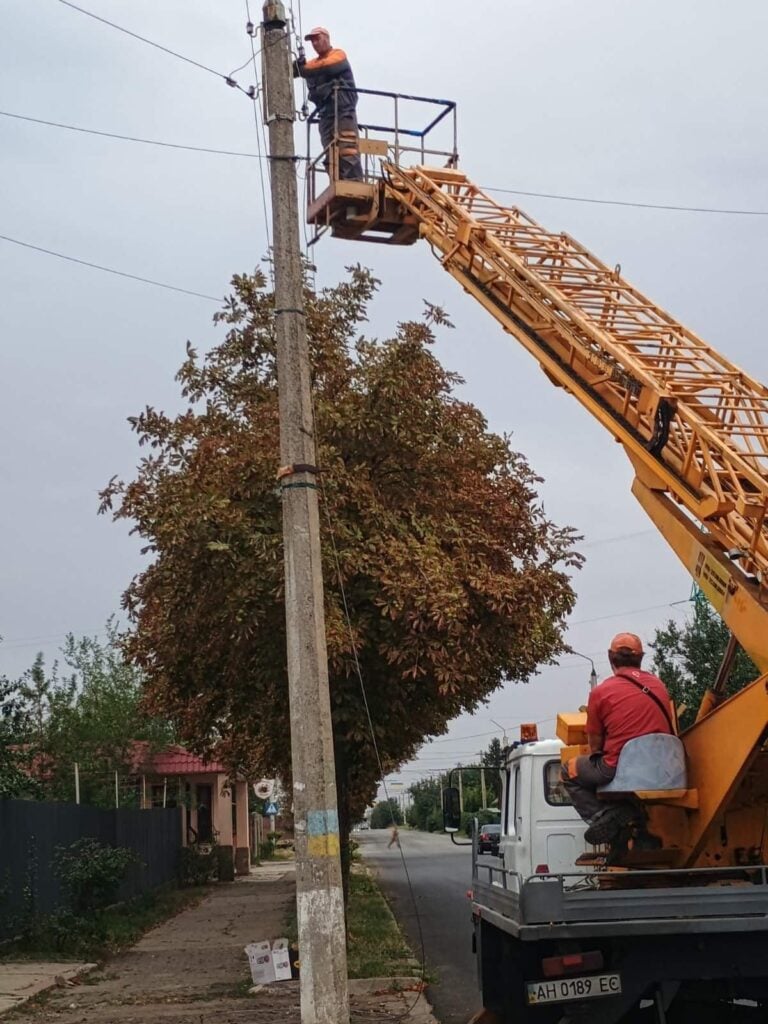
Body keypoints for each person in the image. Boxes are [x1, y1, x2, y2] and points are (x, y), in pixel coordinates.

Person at [562, 632, 675, 845]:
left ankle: (605, 818)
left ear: (610, 657)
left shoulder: (601, 692)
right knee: (629, 780)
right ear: (640, 658)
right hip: (664, 769)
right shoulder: (659, 686)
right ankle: (638, 826)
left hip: (621, 768)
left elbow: (595, 744)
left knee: (570, 770)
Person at [294, 26, 363, 181]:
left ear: (326, 38)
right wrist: (297, 66)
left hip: (344, 112)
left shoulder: (338, 55)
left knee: (347, 151)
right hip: (326, 115)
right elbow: (298, 71)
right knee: (330, 155)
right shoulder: (314, 64)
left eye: (317, 39)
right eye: (312, 41)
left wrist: (303, 69)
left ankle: (353, 183)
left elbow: (326, 67)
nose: (315, 43)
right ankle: (338, 183)